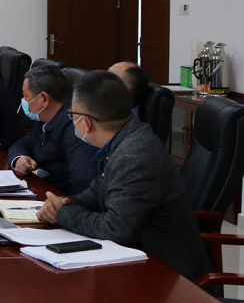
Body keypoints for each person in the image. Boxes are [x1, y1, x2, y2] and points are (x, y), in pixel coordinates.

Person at [37, 71, 210, 281]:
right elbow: (98, 189)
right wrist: (66, 202)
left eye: (71, 116)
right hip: (139, 259)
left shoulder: (133, 156)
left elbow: (115, 228)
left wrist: (62, 214)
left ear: (86, 122)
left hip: (167, 276)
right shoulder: (125, 138)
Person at [8, 65, 98, 195]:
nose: (24, 101)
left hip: (62, 198)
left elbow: (82, 181)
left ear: (44, 99)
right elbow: (23, 143)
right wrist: (19, 158)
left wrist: (64, 204)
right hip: (46, 190)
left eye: (25, 96)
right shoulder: (44, 118)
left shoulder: (75, 126)